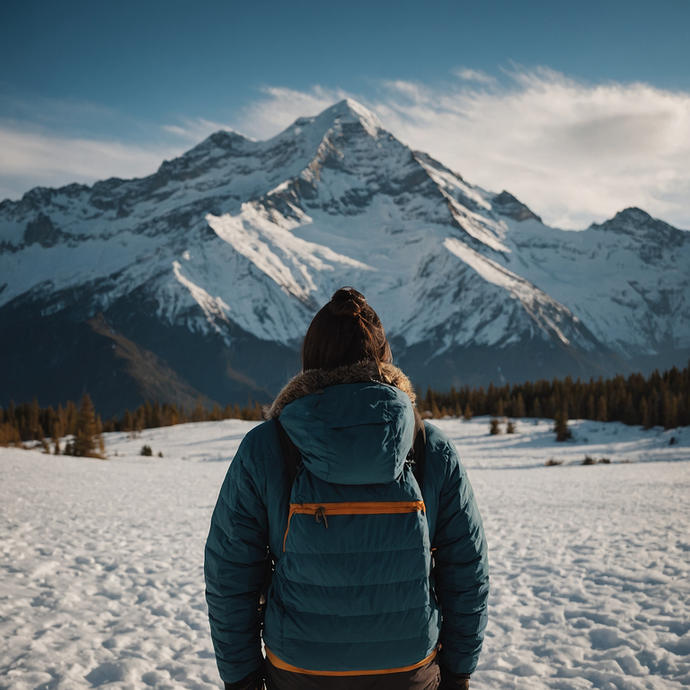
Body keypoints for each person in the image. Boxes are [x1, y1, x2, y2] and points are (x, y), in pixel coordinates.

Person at [205, 287, 489, 690]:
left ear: (310, 359)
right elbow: (467, 568)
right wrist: (458, 671)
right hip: (408, 669)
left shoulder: (268, 448)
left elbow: (229, 574)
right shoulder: (429, 448)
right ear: (384, 359)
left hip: (299, 671)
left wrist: (242, 677)